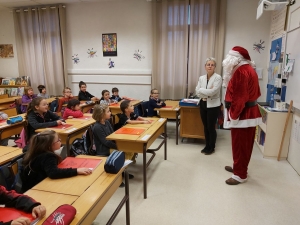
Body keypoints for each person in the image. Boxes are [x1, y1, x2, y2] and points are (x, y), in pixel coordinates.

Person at [222, 46, 262, 185]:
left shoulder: (241, 71)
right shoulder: (246, 69)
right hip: (247, 114)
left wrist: (233, 115)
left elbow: (240, 98)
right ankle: (239, 166)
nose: (226, 60)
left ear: (236, 59)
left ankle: (240, 174)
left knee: (240, 145)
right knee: (242, 145)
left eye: (229, 57)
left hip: (243, 115)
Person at [21, 130, 92, 192]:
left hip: (30, 185)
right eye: (58, 140)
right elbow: (53, 173)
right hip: (36, 189)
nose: (60, 141)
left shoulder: (37, 151)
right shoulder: (48, 156)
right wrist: (77, 171)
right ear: (49, 145)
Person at [92, 104, 134, 185]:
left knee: (130, 150)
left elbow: (113, 135)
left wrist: (121, 142)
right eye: (108, 111)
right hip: (104, 149)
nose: (110, 113)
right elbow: (106, 142)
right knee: (123, 153)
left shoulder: (107, 122)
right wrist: (118, 146)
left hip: (110, 145)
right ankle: (118, 176)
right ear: (101, 114)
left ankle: (122, 170)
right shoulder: (97, 127)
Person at [195, 57, 222, 155]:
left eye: (212, 65)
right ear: (205, 66)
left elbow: (214, 91)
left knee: (211, 127)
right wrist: (206, 92)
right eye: (208, 64)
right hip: (203, 103)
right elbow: (197, 91)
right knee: (205, 126)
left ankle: (212, 147)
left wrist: (202, 90)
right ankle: (206, 145)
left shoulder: (218, 77)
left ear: (215, 67)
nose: (210, 66)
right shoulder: (201, 78)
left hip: (213, 105)